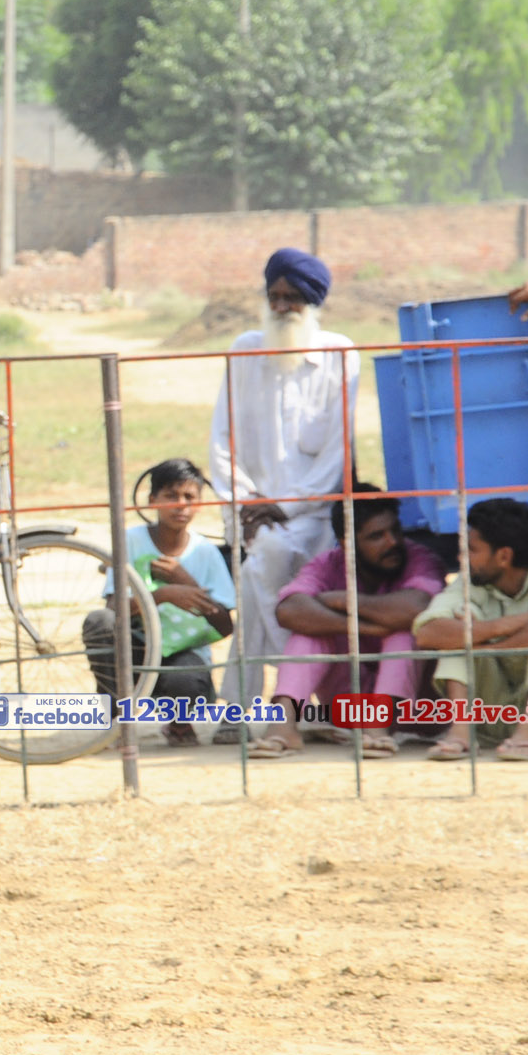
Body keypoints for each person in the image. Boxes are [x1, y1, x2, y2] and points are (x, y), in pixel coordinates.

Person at [209, 247, 358, 731]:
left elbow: (337, 451)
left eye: (291, 297)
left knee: (263, 579)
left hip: (311, 514)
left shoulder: (339, 353)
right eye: (273, 296)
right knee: (267, 558)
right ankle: (308, 702)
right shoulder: (245, 350)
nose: (280, 306)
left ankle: (239, 710)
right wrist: (245, 502)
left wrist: (287, 506)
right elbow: (222, 439)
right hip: (249, 511)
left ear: (311, 302)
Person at [247, 484, 445, 758]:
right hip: (347, 708)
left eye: (395, 530)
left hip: (416, 713)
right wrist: (363, 627)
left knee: (404, 630)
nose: (392, 542)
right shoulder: (329, 564)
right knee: (308, 633)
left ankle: (377, 731)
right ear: (346, 543)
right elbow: (289, 610)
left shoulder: (419, 559)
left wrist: (344, 599)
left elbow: (417, 607)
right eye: (376, 536)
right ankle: (282, 728)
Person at [82, 458, 235, 746]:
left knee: (186, 681)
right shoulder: (130, 541)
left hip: (183, 651)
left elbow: (226, 626)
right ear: (153, 500)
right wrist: (162, 595)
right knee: (99, 623)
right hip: (135, 647)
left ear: (200, 504)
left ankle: (179, 725)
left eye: (189, 497)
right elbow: (112, 611)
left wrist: (186, 582)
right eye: (171, 496)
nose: (181, 505)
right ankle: (118, 720)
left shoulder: (205, 552)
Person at [413, 499, 528, 762]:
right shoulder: (471, 581)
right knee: (458, 633)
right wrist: (497, 627)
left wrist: (491, 647)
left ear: (504, 556)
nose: (461, 558)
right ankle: (461, 732)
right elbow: (428, 632)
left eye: (471, 550)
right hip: (490, 721)